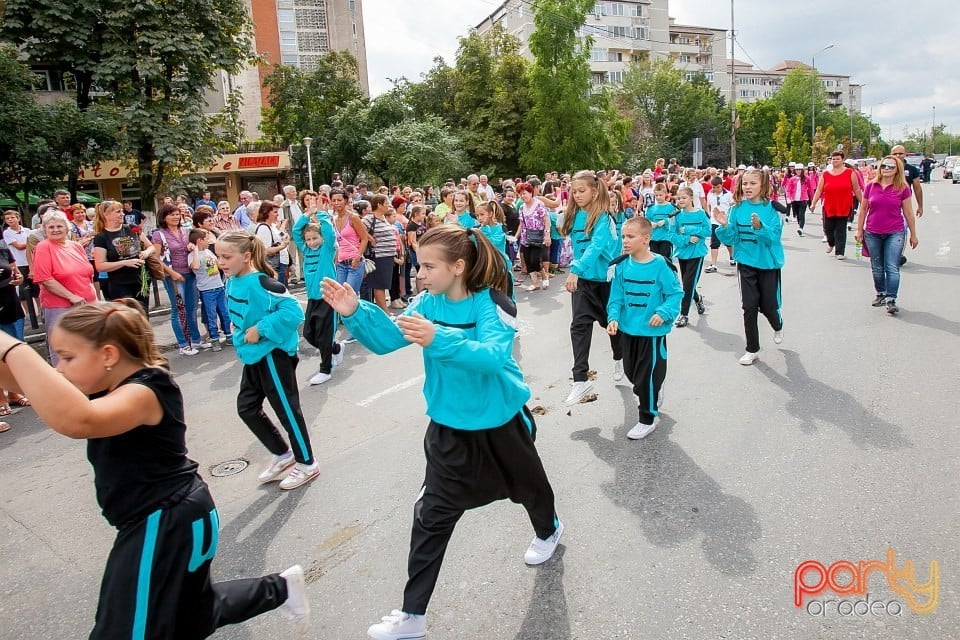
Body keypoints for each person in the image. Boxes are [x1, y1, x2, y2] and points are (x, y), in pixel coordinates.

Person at [0, 300, 310, 637]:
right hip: (173, 517)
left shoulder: (147, 388)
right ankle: (280, 588)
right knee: (191, 617)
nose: (58, 368)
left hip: (164, 520)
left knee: (126, 631)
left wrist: (13, 346)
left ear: (108, 355)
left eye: (67, 357)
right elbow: (29, 382)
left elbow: (77, 420)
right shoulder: (106, 382)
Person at [320, 225, 562, 640]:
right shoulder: (426, 303)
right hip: (448, 429)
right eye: (419, 264)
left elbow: (491, 357)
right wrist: (355, 312)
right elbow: (388, 341)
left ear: (458, 267)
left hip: (501, 424)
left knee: (531, 490)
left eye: (429, 266)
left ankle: (549, 530)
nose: (420, 273)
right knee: (430, 517)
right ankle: (413, 615)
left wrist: (440, 338)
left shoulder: (494, 303)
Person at [217, 230, 318, 490]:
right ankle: (283, 455)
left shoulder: (262, 283)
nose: (221, 262)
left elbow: (294, 311)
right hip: (252, 355)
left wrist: (260, 328)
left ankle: (307, 463)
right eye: (219, 256)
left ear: (246, 256)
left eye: (227, 256)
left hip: (274, 356)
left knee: (287, 410)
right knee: (247, 407)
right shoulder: (232, 280)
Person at [606, 217, 682, 439]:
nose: (625, 241)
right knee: (632, 374)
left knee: (646, 377)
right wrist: (613, 318)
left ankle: (647, 419)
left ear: (646, 239)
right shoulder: (620, 266)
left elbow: (675, 294)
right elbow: (616, 298)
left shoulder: (661, 266)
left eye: (631, 237)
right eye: (623, 237)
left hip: (652, 334)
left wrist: (663, 313)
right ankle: (655, 388)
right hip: (629, 331)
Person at [561, 170, 623, 405]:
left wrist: (575, 268)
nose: (576, 195)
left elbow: (596, 247)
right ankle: (580, 380)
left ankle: (619, 357)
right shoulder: (573, 216)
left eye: (581, 191)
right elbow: (560, 231)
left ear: (594, 191)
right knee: (579, 326)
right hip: (583, 282)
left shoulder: (604, 218)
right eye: (573, 191)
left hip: (605, 282)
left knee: (613, 327)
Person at [715, 169, 785, 366]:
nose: (748, 187)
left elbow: (773, 239)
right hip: (746, 262)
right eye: (745, 183)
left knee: (769, 306)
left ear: (762, 185)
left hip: (768, 263)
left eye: (752, 183)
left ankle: (777, 324)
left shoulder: (773, 209)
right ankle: (752, 349)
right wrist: (724, 227)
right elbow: (733, 238)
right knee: (749, 306)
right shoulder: (737, 209)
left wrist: (760, 227)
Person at [854, 156, 919, 315]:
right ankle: (881, 293)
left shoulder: (902, 188)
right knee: (877, 266)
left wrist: (913, 234)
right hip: (872, 232)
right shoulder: (871, 186)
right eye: (884, 166)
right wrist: (859, 229)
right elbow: (863, 209)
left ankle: (891, 298)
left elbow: (908, 213)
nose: (887, 169)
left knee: (891, 266)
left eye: (891, 166)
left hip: (894, 232)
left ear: (897, 169)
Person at [31, 211, 97, 364]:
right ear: (44, 229)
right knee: (63, 349)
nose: (55, 230)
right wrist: (71, 296)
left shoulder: (76, 246)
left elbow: (87, 274)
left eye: (59, 226)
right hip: (61, 307)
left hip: (87, 304)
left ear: (67, 228)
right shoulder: (43, 247)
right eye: (51, 227)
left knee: (88, 345)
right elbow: (45, 279)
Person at [293, 196, 343, 385]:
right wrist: (307, 215)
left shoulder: (326, 250)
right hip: (313, 299)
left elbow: (329, 233)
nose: (312, 242)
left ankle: (326, 369)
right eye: (309, 239)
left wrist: (320, 213)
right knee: (309, 334)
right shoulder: (306, 251)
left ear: (322, 238)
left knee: (324, 334)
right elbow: (296, 231)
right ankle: (336, 349)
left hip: (328, 298)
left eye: (315, 238)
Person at [153, 203, 204, 355]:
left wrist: (192, 246)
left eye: (177, 214)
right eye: (172, 214)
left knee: (192, 307)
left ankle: (195, 340)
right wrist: (172, 273)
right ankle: (183, 344)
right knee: (178, 309)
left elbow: (199, 244)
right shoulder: (159, 234)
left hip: (190, 274)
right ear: (164, 217)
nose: (176, 217)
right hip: (173, 277)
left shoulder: (186, 231)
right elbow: (156, 259)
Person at [93, 200, 155, 315]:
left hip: (140, 280)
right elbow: (100, 266)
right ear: (106, 215)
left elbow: (151, 247)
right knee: (127, 317)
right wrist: (125, 263)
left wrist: (146, 253)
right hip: (119, 283)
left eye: (122, 211)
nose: (122, 214)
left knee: (143, 315)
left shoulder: (131, 228)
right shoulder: (102, 237)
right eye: (118, 212)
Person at [810, 150, 863, 259]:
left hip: (844, 205)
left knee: (840, 229)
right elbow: (819, 190)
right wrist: (813, 203)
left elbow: (857, 189)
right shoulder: (825, 174)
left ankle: (840, 252)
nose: (835, 161)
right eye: (833, 159)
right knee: (828, 228)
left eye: (837, 159)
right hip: (829, 206)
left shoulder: (850, 173)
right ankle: (831, 242)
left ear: (842, 160)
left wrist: (863, 202)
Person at [670, 187, 709, 328]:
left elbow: (707, 231)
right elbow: (672, 235)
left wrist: (689, 230)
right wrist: (686, 239)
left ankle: (683, 314)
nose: (680, 200)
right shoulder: (675, 216)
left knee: (687, 284)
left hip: (696, 254)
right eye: (678, 198)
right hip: (682, 253)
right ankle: (698, 299)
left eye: (683, 197)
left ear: (691, 198)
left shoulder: (701, 214)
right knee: (688, 283)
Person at [188, 229, 231, 350]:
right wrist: (196, 250)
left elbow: (218, 264)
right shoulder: (192, 256)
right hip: (207, 290)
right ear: (199, 241)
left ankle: (228, 335)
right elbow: (195, 266)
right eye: (206, 238)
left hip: (219, 286)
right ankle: (215, 339)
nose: (209, 240)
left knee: (225, 313)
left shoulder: (208, 251)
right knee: (212, 316)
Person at [331, 188, 369, 293]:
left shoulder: (353, 217)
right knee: (340, 295)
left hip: (354, 261)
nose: (336, 203)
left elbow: (365, 238)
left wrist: (357, 258)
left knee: (350, 295)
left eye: (339, 200)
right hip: (340, 263)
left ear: (346, 201)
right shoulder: (333, 219)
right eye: (333, 200)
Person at [516, 182, 551, 292]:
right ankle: (535, 283)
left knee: (535, 260)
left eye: (524, 193)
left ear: (531, 193)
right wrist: (516, 237)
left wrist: (547, 234)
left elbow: (546, 220)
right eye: (520, 194)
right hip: (525, 237)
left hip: (537, 236)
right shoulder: (521, 207)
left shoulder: (539, 204)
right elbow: (521, 224)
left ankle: (544, 275)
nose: (522, 196)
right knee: (527, 261)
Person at [253, 201, 291, 285]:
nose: (277, 215)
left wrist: (283, 230)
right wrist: (282, 246)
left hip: (281, 263)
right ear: (266, 212)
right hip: (274, 266)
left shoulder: (272, 226)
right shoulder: (263, 228)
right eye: (275, 212)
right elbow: (266, 250)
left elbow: (280, 236)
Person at [645, 183, 679, 272]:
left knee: (665, 258)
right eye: (656, 195)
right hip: (654, 238)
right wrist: (650, 223)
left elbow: (676, 220)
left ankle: (668, 275)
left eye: (661, 195)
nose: (658, 197)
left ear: (665, 194)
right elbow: (646, 220)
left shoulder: (671, 207)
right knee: (655, 259)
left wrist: (665, 221)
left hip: (666, 237)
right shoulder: (651, 208)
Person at [704, 177, 734, 272]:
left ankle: (732, 256)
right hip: (714, 221)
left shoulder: (728, 194)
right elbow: (709, 205)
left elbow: (733, 205)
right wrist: (709, 214)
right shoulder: (710, 194)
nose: (715, 189)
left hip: (725, 221)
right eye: (714, 187)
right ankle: (713, 264)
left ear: (721, 185)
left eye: (717, 187)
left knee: (727, 242)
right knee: (714, 243)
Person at [783, 166, 810, 235]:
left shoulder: (806, 178)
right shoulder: (792, 179)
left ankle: (801, 228)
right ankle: (799, 224)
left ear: (802, 170)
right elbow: (788, 190)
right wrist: (788, 198)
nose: (798, 171)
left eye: (800, 170)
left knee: (801, 214)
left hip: (803, 199)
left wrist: (812, 200)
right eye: (797, 170)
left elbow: (810, 189)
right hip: (794, 199)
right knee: (797, 214)